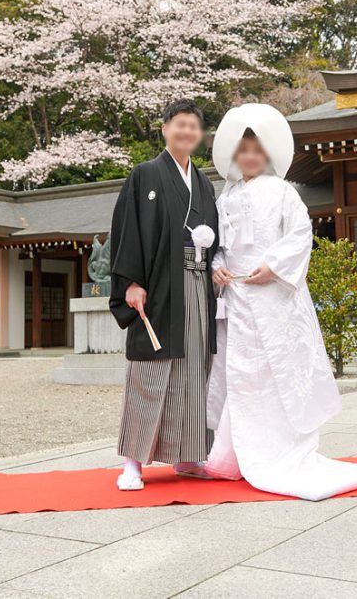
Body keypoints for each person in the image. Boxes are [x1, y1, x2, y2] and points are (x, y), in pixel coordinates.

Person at [205, 103, 357, 501]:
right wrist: (216, 268)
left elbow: (300, 235)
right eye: (243, 150)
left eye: (257, 150)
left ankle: (277, 449)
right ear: (234, 154)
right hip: (236, 298)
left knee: (277, 372)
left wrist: (274, 266)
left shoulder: (283, 192)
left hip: (274, 295)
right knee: (238, 375)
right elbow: (216, 245)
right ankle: (233, 454)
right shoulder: (223, 198)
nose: (249, 157)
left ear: (267, 155)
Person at [109, 99, 219, 490]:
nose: (187, 132)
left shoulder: (205, 183)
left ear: (200, 135)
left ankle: (188, 456)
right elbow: (127, 232)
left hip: (196, 283)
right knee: (150, 370)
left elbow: (214, 237)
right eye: (180, 124)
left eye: (194, 126)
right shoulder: (145, 175)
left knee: (193, 371)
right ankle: (132, 464)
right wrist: (130, 283)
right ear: (165, 128)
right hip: (158, 287)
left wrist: (215, 262)